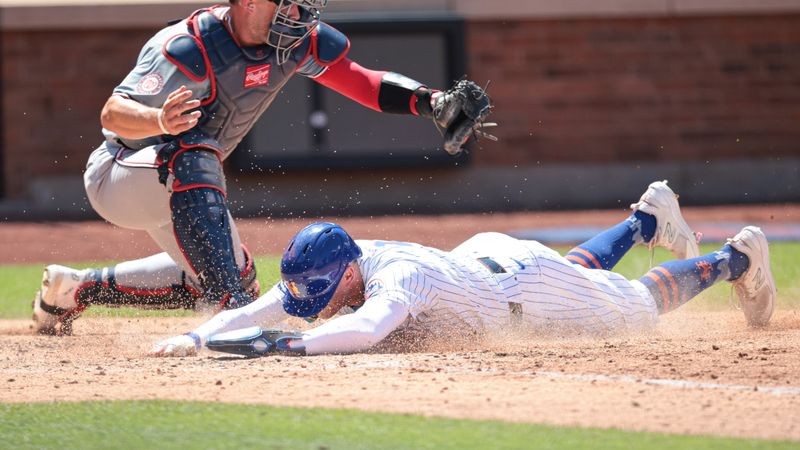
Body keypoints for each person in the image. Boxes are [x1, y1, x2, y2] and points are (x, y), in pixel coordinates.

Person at [32, 0, 494, 335]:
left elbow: (363, 82)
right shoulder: (187, 46)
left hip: (180, 184)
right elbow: (111, 114)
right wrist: (157, 119)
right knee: (194, 152)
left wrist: (430, 101)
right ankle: (227, 306)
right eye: (288, 5)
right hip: (120, 173)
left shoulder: (295, 42)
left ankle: (75, 290)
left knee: (228, 276)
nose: (299, 15)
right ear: (250, 3)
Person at [149, 181, 777, 357]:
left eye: (320, 292)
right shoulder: (345, 255)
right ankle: (645, 220)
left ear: (345, 274)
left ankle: (737, 257)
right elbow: (272, 303)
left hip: (524, 290)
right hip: (487, 266)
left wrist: (290, 345)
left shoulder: (396, 282)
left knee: (637, 308)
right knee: (583, 276)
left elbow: (367, 332)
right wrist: (196, 335)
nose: (313, 300)